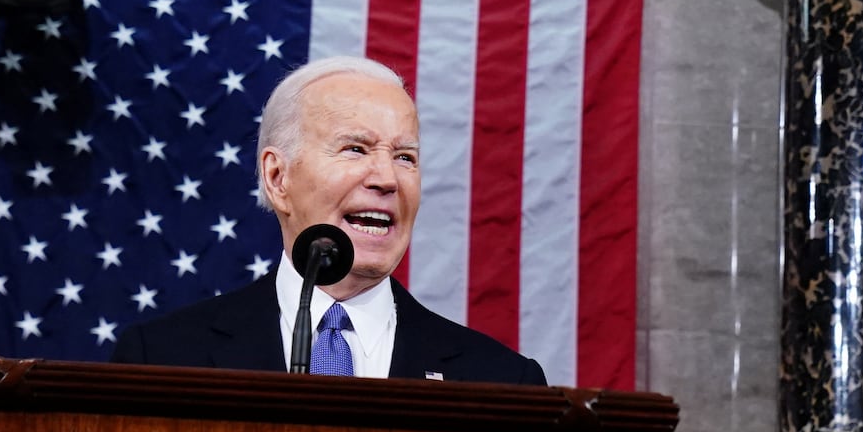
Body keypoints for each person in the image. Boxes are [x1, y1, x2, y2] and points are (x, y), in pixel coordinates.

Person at [109, 55, 546, 386]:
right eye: (356, 149)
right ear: (277, 177)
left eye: (404, 157)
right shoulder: (162, 360)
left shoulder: (501, 381)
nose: (387, 179)